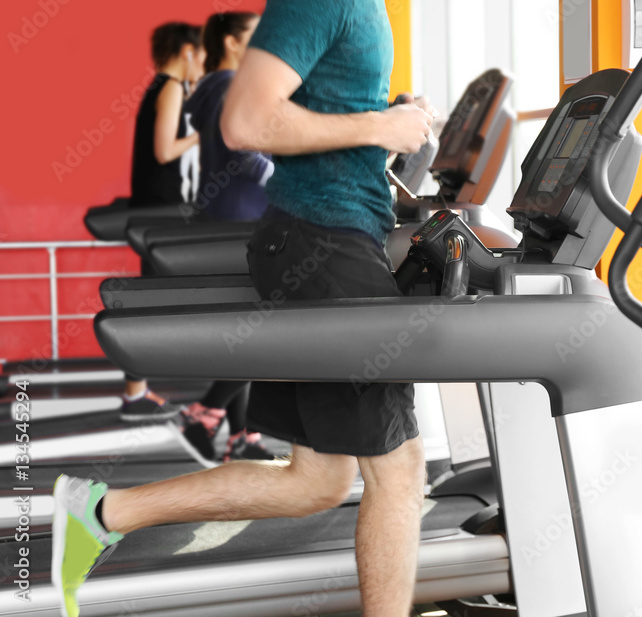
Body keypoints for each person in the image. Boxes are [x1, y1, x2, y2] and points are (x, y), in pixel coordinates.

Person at [53, 2, 436, 617]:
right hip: (325, 240)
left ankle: (100, 512)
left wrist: (386, 121)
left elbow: (305, 113)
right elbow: (246, 121)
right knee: (400, 468)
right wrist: (378, 128)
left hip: (320, 236)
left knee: (318, 479)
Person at [178, 11, 275, 463]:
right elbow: (246, 152)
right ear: (234, 43)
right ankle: (205, 411)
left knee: (247, 331)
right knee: (263, 330)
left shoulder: (214, 87)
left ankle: (244, 436)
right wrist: (292, 172)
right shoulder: (229, 85)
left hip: (229, 214)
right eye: (255, 35)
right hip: (241, 219)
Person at [120, 22, 204, 422]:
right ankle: (135, 394)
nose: (203, 64)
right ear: (187, 51)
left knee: (152, 300)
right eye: (200, 55)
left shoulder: (163, 87)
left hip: (159, 209)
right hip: (160, 212)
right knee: (150, 302)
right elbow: (165, 149)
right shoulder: (170, 87)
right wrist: (207, 133)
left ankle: (137, 390)